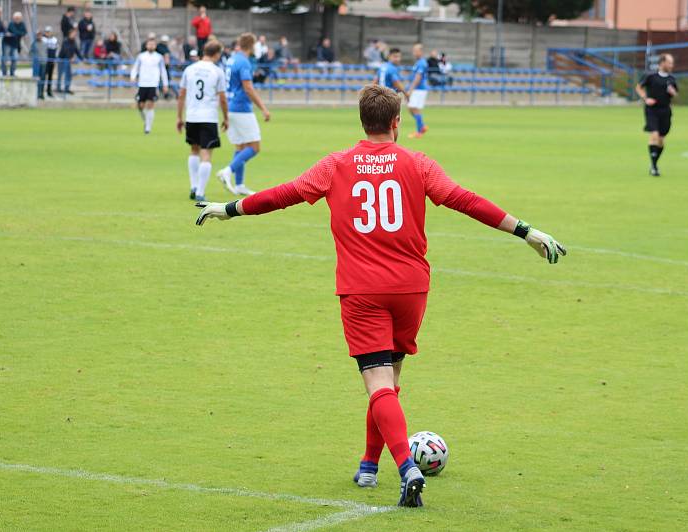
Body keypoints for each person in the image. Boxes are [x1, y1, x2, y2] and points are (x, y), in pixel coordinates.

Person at [194, 84, 567, 507]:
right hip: (411, 289)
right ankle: (369, 466)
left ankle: (406, 467)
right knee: (390, 382)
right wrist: (527, 231)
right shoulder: (419, 163)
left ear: (362, 120)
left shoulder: (336, 165)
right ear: (396, 122)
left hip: (362, 290)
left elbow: (282, 196)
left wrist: (228, 209)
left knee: (377, 384)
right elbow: (466, 201)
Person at [217, 32, 272, 197]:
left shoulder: (232, 59)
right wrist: (263, 108)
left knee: (240, 146)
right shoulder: (244, 62)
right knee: (254, 147)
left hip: (231, 106)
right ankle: (227, 171)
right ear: (251, 45)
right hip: (242, 108)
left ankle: (239, 184)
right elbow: (248, 87)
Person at [177, 40, 228, 202]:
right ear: (217, 54)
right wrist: (226, 117)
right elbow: (223, 98)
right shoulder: (217, 71)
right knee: (206, 155)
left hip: (192, 115)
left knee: (194, 150)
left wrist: (179, 117)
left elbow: (181, 95)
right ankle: (200, 191)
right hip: (208, 117)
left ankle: (193, 186)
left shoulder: (189, 69)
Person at [635, 53, 678, 177]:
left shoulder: (671, 79)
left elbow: (675, 94)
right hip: (652, 110)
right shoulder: (650, 76)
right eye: (669, 62)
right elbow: (639, 87)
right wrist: (645, 98)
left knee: (661, 140)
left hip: (665, 111)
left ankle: (654, 163)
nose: (671, 65)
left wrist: (672, 92)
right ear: (662, 63)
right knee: (654, 135)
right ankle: (654, 167)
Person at [130, 38, 169, 135]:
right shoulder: (141, 56)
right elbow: (135, 67)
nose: (151, 46)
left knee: (150, 105)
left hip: (153, 84)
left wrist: (165, 84)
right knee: (140, 106)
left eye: (153, 44)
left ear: (155, 46)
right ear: (146, 46)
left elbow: (163, 71)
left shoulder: (159, 57)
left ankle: (148, 128)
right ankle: (146, 121)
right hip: (142, 83)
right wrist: (133, 77)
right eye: (149, 44)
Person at [406, 43, 429, 139]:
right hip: (417, 89)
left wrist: (410, 90)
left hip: (419, 89)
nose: (414, 53)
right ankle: (422, 126)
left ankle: (419, 132)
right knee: (411, 108)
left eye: (416, 51)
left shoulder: (422, 63)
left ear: (421, 51)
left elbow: (418, 78)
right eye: (413, 50)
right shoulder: (418, 62)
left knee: (414, 109)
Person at [56, 28, 82, 94]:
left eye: (75, 34)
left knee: (68, 75)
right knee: (60, 74)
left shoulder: (74, 42)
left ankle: (67, 89)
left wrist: (82, 58)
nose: (74, 35)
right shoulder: (65, 40)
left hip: (68, 60)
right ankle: (58, 88)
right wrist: (70, 58)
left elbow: (76, 50)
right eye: (73, 34)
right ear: (70, 34)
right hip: (62, 59)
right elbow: (65, 50)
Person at [1, 12, 26, 77]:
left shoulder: (22, 24)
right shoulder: (11, 23)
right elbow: (15, 31)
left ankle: (12, 73)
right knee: (5, 58)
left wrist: (18, 34)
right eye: (16, 18)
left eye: (18, 18)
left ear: (21, 18)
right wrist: (19, 33)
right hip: (7, 43)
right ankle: (4, 73)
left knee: (15, 59)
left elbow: (24, 32)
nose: (17, 19)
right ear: (14, 18)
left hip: (15, 45)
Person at [41, 26, 57, 97]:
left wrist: (55, 59)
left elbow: (56, 50)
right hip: (45, 60)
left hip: (51, 60)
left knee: (50, 77)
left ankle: (49, 91)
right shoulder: (43, 39)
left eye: (49, 32)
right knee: (43, 76)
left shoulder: (54, 39)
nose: (48, 33)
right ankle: (41, 92)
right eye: (47, 32)